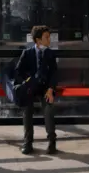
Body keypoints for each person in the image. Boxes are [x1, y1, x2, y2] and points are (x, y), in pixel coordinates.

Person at [14, 25, 58, 155]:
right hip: (30, 87)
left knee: (48, 108)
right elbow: (18, 71)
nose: (49, 40)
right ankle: (28, 142)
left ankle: (52, 141)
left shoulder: (50, 54)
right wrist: (28, 80)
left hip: (45, 88)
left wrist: (50, 89)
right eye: (46, 37)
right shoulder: (27, 53)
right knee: (27, 110)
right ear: (38, 40)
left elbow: (54, 73)